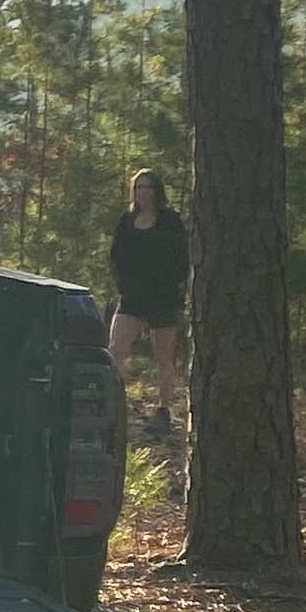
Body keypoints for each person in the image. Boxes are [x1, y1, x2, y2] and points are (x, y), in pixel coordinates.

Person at [107, 169, 189, 439]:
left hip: (162, 299)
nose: (142, 192)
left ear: (157, 191)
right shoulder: (126, 221)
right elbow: (115, 256)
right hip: (132, 299)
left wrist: (176, 294)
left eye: (147, 188)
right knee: (115, 350)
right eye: (138, 188)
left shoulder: (170, 221)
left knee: (164, 358)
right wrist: (123, 285)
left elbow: (181, 259)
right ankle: (116, 406)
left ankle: (164, 410)